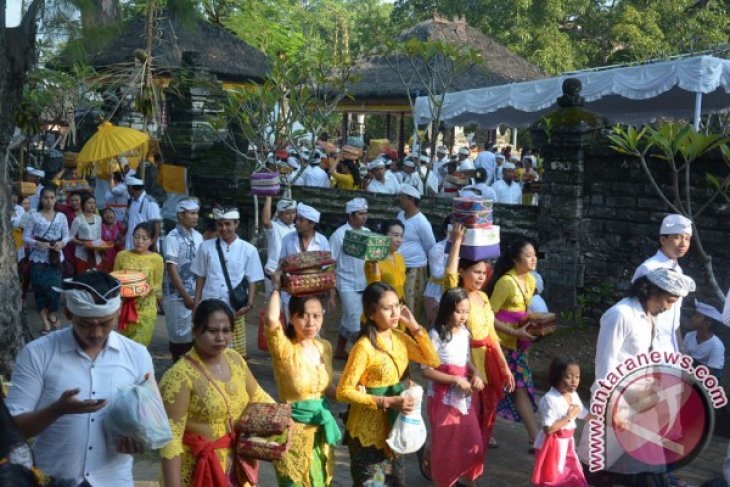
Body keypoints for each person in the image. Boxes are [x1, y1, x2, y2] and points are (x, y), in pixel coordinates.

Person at [6, 270, 154, 486]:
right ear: (68, 313)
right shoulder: (37, 353)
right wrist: (56, 410)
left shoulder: (137, 355)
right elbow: (13, 429)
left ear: (118, 313)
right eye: (86, 324)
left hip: (114, 480)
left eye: (105, 323)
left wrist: (139, 439)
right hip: (54, 479)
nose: (96, 333)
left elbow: (150, 423)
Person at [577, 268, 696, 484]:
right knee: (598, 467)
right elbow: (605, 366)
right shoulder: (620, 315)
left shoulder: (649, 316)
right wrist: (611, 408)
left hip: (641, 404)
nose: (668, 307)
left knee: (641, 469)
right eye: (668, 300)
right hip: (615, 403)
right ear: (652, 291)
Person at [160, 299, 274, 487]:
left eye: (226, 330)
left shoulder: (235, 359)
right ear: (195, 331)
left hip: (237, 465)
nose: (220, 338)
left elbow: (258, 397)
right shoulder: (179, 377)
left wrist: (284, 418)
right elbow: (171, 439)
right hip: (199, 470)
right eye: (212, 331)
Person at [337, 282, 440, 486]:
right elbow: (343, 391)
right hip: (369, 432)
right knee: (373, 482)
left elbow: (432, 360)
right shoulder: (363, 347)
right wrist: (385, 401)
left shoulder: (400, 338)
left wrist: (415, 327)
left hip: (395, 427)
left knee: (394, 481)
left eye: (397, 305)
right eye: (387, 308)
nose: (395, 313)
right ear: (371, 312)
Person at [444, 223, 515, 454]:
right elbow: (449, 275)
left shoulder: (484, 297)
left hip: (487, 359)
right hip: (465, 361)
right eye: (476, 272)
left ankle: (476, 449)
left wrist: (505, 368)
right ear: (463, 272)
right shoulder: (457, 296)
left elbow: (492, 336)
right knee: (465, 410)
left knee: (486, 408)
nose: (480, 277)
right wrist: (456, 242)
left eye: (484, 273)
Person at [266, 278, 341, 486]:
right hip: (292, 433)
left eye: (317, 316)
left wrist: (354, 394)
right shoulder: (285, 349)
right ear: (291, 318)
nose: (311, 323)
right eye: (303, 316)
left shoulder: (324, 346)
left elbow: (326, 389)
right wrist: (276, 288)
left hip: (321, 430)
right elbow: (272, 321)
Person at [421, 288, 486, 487]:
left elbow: (465, 362)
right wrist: (455, 380)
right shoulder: (435, 334)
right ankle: (443, 479)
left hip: (463, 398)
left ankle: (468, 478)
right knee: (446, 445)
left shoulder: (465, 333)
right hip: (442, 398)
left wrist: (475, 373)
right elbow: (426, 370)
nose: (463, 316)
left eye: (466, 312)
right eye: (458, 311)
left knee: (472, 440)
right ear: (447, 310)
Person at [487, 238, 540, 448]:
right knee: (495, 388)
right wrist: (512, 330)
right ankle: (485, 430)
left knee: (520, 387)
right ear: (516, 259)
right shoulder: (506, 283)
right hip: (501, 345)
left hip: (518, 345)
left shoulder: (531, 281)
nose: (533, 259)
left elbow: (524, 312)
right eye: (528, 255)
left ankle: (534, 436)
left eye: (535, 254)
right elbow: (488, 315)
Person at [192, 207, 264, 359]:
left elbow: (252, 279)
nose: (224, 228)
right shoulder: (205, 247)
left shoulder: (249, 250)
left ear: (236, 224)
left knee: (234, 355)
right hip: (208, 303)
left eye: (228, 224)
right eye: (220, 224)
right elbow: (201, 276)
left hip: (234, 308)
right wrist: (196, 302)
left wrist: (249, 304)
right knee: (208, 348)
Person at [631, 214, 692, 353]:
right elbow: (636, 310)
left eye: (687, 239)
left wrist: (680, 348)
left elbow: (675, 317)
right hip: (649, 347)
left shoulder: (678, 270)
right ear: (663, 239)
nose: (683, 244)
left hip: (671, 348)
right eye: (677, 237)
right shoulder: (648, 269)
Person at [532, 357, 594, 487]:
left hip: (567, 445)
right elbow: (548, 429)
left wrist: (607, 418)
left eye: (577, 377)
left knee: (573, 476)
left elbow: (585, 414)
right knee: (554, 479)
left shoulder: (573, 395)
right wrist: (568, 417)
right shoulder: (549, 399)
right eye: (569, 377)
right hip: (552, 447)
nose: (574, 381)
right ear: (557, 377)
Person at [23, 186, 70, 334]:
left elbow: (67, 236)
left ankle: (51, 313)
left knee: (55, 289)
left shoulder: (61, 217)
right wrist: (37, 243)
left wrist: (62, 243)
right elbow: (26, 237)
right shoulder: (34, 216)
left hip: (55, 259)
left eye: (51, 198)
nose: (49, 201)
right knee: (39, 289)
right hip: (38, 258)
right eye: (45, 198)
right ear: (41, 199)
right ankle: (45, 321)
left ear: (56, 199)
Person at [163, 199, 204, 362]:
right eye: (192, 213)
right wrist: (185, 295)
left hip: (196, 294)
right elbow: (171, 268)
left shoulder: (198, 236)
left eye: (197, 213)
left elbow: (201, 268)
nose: (196, 217)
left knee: (196, 335)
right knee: (179, 339)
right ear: (181, 215)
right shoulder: (172, 238)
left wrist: (198, 295)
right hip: (177, 296)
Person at [330, 198, 370, 359]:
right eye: (360, 214)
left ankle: (340, 350)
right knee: (355, 322)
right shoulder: (338, 235)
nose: (364, 217)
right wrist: (332, 292)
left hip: (366, 283)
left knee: (349, 319)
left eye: (365, 213)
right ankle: (359, 356)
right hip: (346, 284)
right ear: (350, 215)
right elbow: (331, 264)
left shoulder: (367, 233)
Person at [113, 221, 164, 346]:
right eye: (136, 237)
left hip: (146, 310)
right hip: (125, 307)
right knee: (125, 346)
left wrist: (147, 289)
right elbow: (114, 280)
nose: (139, 241)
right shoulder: (122, 255)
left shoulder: (156, 259)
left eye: (144, 238)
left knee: (139, 347)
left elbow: (158, 285)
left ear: (151, 241)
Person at [279, 203, 335, 314]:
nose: (296, 223)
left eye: (301, 220)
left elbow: (329, 270)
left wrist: (331, 296)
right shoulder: (288, 239)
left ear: (312, 224)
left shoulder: (322, 241)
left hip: (315, 295)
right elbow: (281, 265)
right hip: (291, 295)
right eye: (297, 219)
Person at [397, 183, 436, 325]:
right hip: (399, 265)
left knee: (411, 302)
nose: (399, 199)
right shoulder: (400, 215)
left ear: (410, 200)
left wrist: (432, 271)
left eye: (402, 197)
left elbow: (430, 246)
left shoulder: (422, 222)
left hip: (415, 267)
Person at [262, 197, 297, 299]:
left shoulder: (296, 228)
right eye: (288, 213)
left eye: (293, 212)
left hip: (291, 274)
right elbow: (265, 221)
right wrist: (268, 197)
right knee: (273, 308)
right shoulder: (275, 227)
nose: (291, 216)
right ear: (280, 213)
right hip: (273, 273)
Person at [365, 219, 407, 301]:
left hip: (399, 305)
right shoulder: (373, 260)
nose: (399, 240)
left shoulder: (400, 258)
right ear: (384, 236)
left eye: (401, 236)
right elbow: (374, 288)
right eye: (395, 235)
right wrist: (375, 264)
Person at [684, 300, 725, 378]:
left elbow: (710, 371)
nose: (693, 318)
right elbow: (684, 356)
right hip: (692, 366)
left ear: (707, 324)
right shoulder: (689, 336)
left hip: (709, 374)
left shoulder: (717, 346)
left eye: (697, 316)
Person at [124, 175, 161, 251]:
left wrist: (152, 244)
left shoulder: (150, 202)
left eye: (127, 187)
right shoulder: (131, 201)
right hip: (132, 245)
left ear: (130, 187)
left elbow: (156, 226)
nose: (127, 190)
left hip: (145, 248)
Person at [70, 193, 104, 273]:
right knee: (83, 276)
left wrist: (101, 247)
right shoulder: (78, 220)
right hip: (82, 253)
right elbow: (70, 238)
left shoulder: (99, 219)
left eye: (93, 203)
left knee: (96, 275)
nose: (92, 205)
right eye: (89, 203)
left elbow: (99, 236)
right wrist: (83, 243)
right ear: (83, 204)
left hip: (96, 253)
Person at [58, 191, 82, 275]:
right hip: (68, 245)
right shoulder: (65, 209)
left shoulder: (86, 211)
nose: (74, 203)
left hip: (82, 244)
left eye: (76, 200)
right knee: (69, 270)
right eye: (72, 200)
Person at [101, 207, 124, 272]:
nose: (108, 215)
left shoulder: (119, 225)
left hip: (118, 254)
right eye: (105, 213)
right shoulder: (101, 226)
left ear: (114, 215)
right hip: (105, 255)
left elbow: (124, 237)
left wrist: (120, 240)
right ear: (102, 216)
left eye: (110, 212)